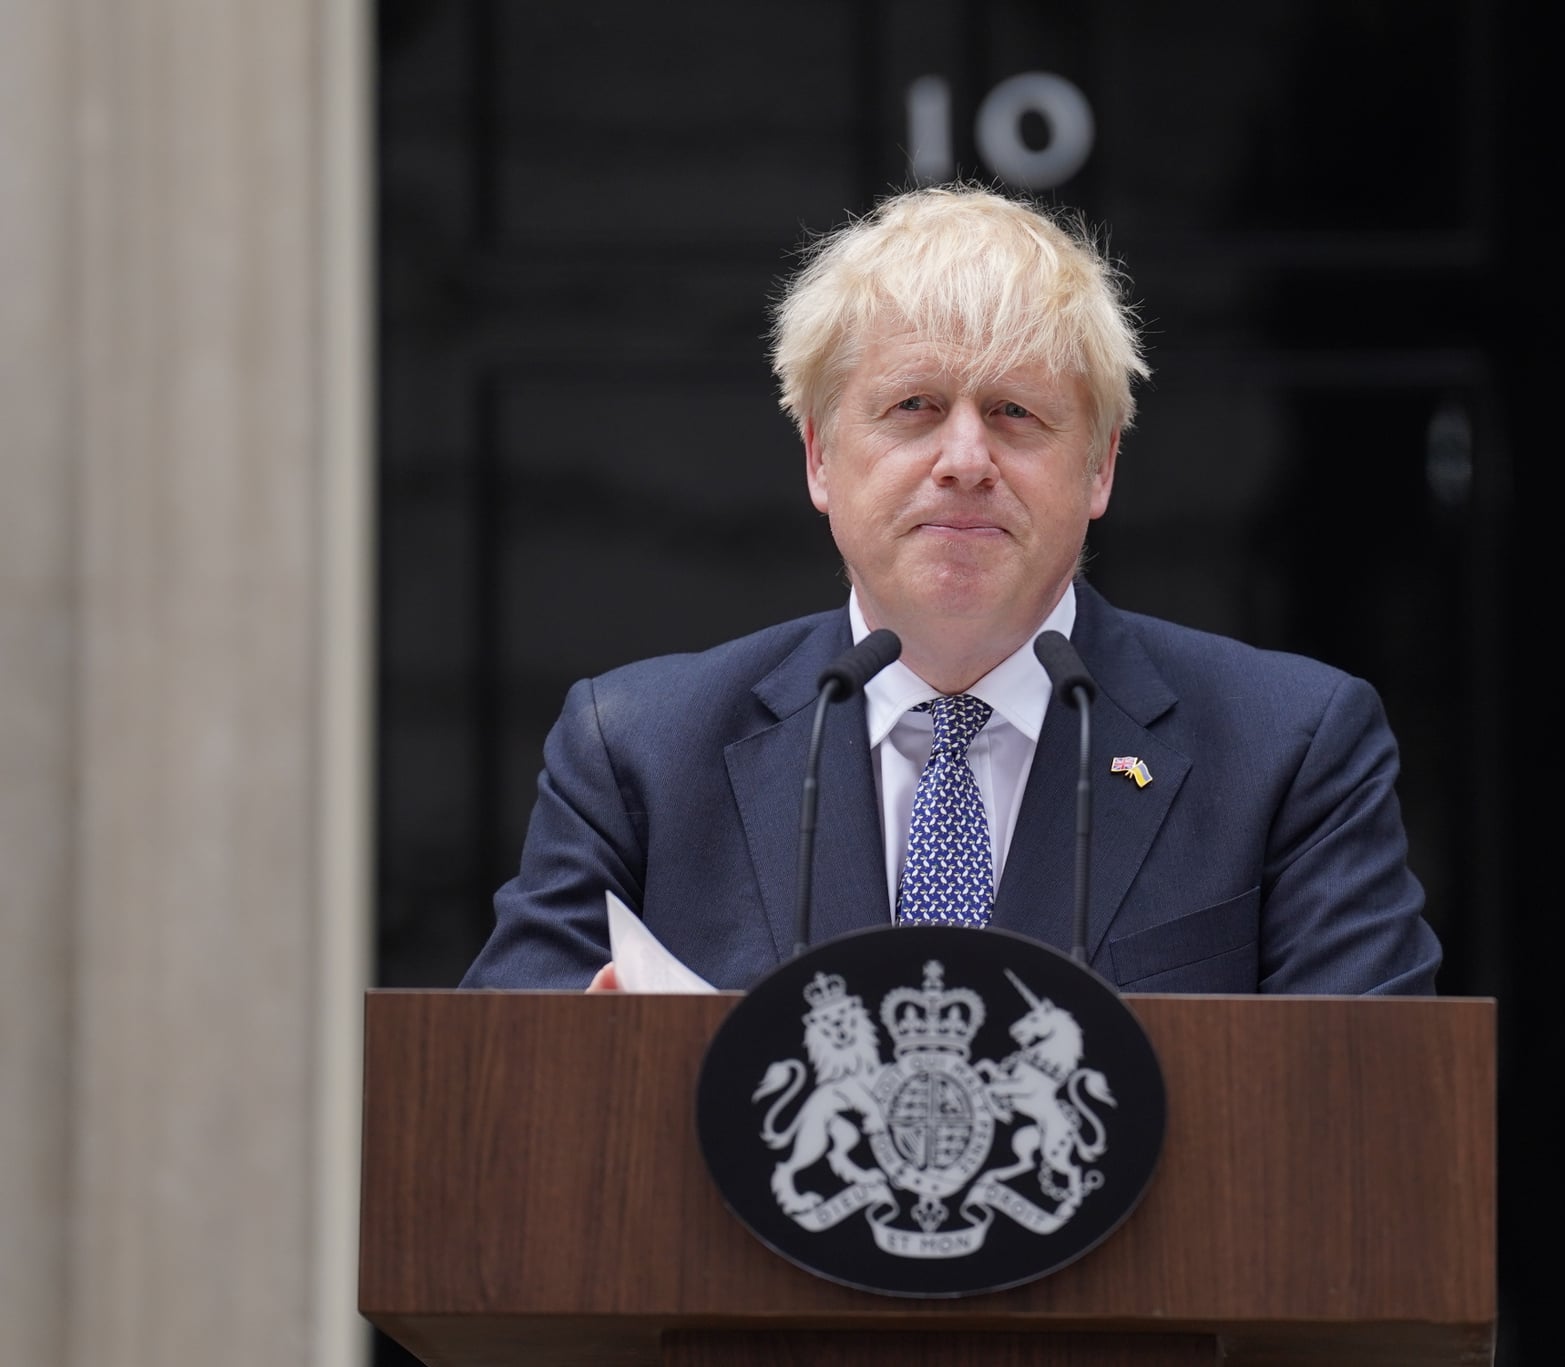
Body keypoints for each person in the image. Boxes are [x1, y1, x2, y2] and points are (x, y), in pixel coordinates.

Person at [462, 184, 1440, 995]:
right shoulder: (636, 752)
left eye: (1015, 413)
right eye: (913, 407)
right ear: (818, 456)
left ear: (1099, 467)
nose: (964, 459)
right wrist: (593, 1079)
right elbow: (490, 1114)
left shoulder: (1290, 749)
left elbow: (1369, 1135)